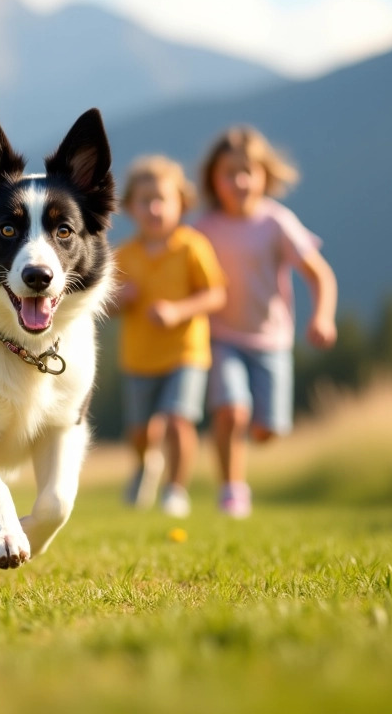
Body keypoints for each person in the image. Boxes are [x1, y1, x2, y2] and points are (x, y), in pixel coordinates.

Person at [195, 127, 338, 519]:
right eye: (228, 173)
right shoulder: (203, 229)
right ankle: (231, 490)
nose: (239, 181)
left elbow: (319, 274)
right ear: (213, 179)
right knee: (231, 411)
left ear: (264, 176)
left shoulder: (277, 222)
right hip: (220, 338)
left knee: (266, 430)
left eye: (248, 171)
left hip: (271, 341)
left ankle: (257, 438)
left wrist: (322, 316)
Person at [114, 155, 226, 517]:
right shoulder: (122, 256)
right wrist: (119, 298)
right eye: (145, 201)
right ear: (130, 207)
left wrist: (179, 311)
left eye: (164, 199)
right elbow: (101, 304)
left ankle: (176, 491)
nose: (155, 208)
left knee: (179, 421)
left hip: (185, 352)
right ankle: (146, 466)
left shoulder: (192, 246)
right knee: (140, 432)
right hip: (139, 358)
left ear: (182, 204)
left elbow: (216, 294)